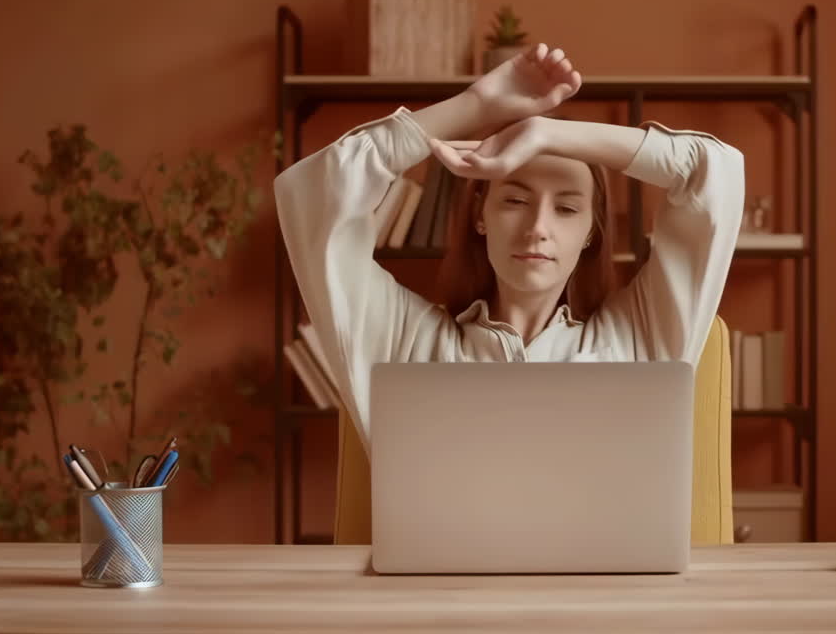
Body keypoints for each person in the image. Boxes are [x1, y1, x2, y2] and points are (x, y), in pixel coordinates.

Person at [274, 44, 745, 450]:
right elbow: (315, 193)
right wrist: (477, 105)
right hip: (441, 559)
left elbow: (713, 172)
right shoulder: (404, 341)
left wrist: (551, 134)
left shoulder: (638, 339)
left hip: (605, 561)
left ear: (591, 233)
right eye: (515, 200)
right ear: (481, 215)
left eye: (566, 209)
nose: (537, 227)